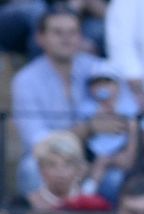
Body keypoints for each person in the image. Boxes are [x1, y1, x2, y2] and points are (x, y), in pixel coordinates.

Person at [12, 9, 96, 197]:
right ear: (40, 38)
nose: (66, 39)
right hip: (48, 159)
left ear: (81, 37)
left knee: (115, 176)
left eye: (72, 32)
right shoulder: (26, 80)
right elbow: (36, 140)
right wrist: (84, 130)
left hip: (93, 157)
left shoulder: (98, 69)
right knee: (32, 169)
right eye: (58, 32)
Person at [78, 60, 140, 198]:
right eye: (96, 83)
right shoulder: (87, 112)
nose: (102, 87)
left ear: (118, 86)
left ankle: (89, 191)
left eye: (107, 82)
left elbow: (130, 155)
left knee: (114, 178)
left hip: (118, 158)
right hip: (91, 156)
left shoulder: (128, 113)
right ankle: (85, 196)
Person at [24, 132, 112, 211]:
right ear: (41, 169)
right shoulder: (28, 204)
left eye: (68, 164)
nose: (60, 172)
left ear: (78, 169)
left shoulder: (93, 205)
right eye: (52, 165)